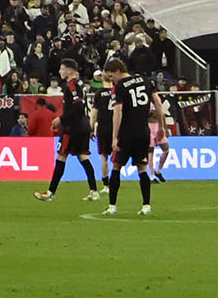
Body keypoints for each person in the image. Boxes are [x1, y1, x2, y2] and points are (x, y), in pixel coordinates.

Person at [35, 61, 100, 203]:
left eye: (62, 68)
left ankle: (50, 192)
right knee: (83, 157)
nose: (59, 71)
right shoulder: (80, 84)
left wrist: (61, 119)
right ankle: (94, 191)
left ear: (69, 70)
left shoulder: (71, 85)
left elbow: (78, 108)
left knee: (61, 156)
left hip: (73, 128)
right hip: (82, 126)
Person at [102, 59, 155, 217]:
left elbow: (118, 112)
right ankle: (146, 205)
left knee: (117, 167)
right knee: (142, 168)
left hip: (126, 133)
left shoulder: (119, 87)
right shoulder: (145, 80)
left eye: (111, 76)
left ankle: (112, 206)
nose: (111, 80)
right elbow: (157, 102)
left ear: (118, 70)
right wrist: (163, 126)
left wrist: (114, 137)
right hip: (143, 131)